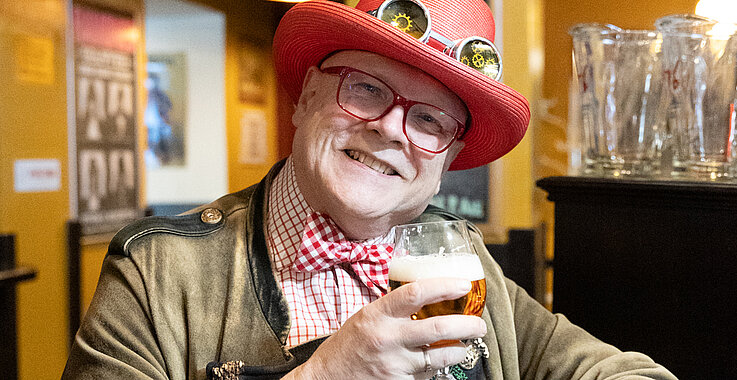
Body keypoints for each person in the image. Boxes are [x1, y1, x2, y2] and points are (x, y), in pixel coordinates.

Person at [63, 0, 677, 379]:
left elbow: (618, 370)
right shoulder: (156, 272)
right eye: (365, 87)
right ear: (306, 96)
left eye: (431, 119)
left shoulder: (460, 259)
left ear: (449, 159)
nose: (389, 129)